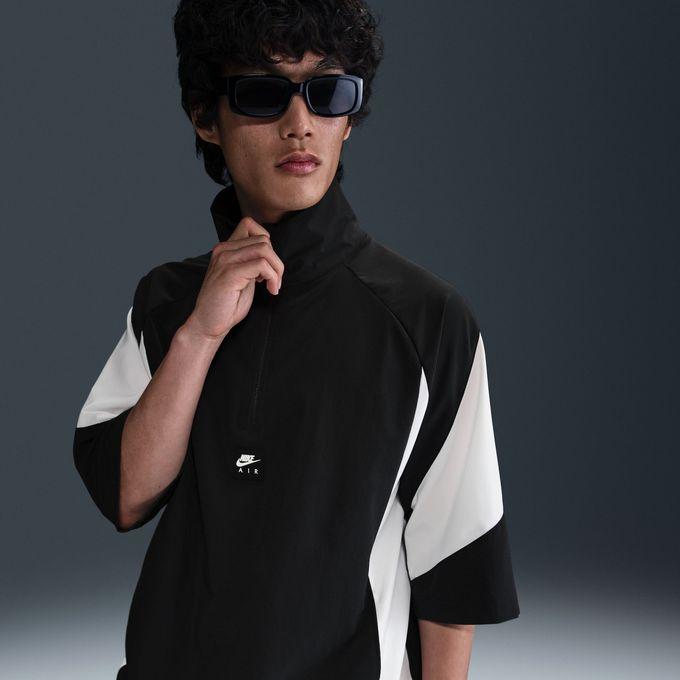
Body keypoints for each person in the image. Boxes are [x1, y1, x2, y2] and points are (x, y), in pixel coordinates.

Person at [72, 1, 520, 678]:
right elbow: (126, 494)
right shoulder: (169, 301)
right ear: (205, 117)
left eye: (327, 92)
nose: (299, 123)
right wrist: (200, 333)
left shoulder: (427, 321)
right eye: (262, 93)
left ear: (349, 117)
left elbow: (456, 567)